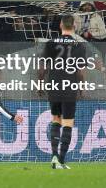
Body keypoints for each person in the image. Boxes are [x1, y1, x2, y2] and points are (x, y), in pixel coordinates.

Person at [37, 16, 87, 169]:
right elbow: (80, 71)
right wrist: (82, 87)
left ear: (60, 25)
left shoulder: (51, 43)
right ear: (74, 25)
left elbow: (42, 68)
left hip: (54, 85)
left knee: (56, 119)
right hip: (69, 86)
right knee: (68, 122)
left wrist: (40, 84)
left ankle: (54, 156)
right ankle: (61, 160)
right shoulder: (79, 45)